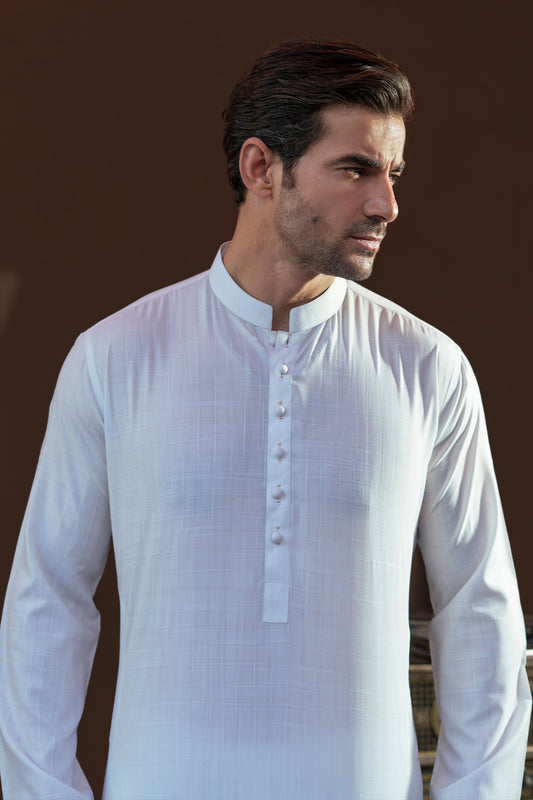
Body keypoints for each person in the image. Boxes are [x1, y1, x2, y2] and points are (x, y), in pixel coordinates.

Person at [0, 38, 530, 800]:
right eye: (354, 169)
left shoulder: (426, 368)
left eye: (391, 174)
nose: (385, 204)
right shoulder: (115, 358)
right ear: (260, 167)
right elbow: (45, 602)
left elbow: (480, 611)